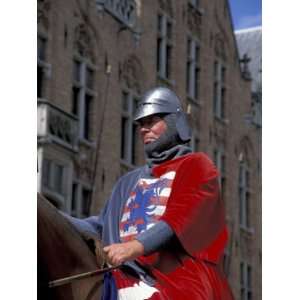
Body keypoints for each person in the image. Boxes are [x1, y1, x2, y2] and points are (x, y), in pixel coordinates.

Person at [65, 87, 234, 300]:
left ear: (174, 122)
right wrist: (50, 215)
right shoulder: (127, 182)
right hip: (127, 274)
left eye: (151, 121)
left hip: (178, 281)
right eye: (141, 124)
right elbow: (99, 225)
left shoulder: (197, 166)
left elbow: (179, 220)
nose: (144, 129)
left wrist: (134, 247)